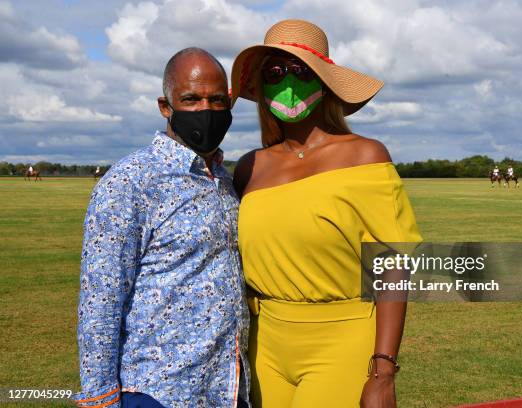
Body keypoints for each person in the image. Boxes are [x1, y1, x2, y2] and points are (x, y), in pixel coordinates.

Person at [231, 19, 421, 408]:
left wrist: (383, 373)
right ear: (262, 86)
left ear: (325, 81)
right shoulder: (250, 167)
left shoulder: (365, 155)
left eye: (301, 71)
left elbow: (393, 265)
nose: (288, 81)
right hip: (264, 342)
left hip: (342, 338)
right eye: (275, 72)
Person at [73, 47, 250, 408]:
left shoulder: (224, 180)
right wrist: (100, 397)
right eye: (191, 98)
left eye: (217, 100)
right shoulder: (131, 181)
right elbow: (100, 300)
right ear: (165, 106)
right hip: (158, 391)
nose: (206, 110)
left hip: (226, 388)